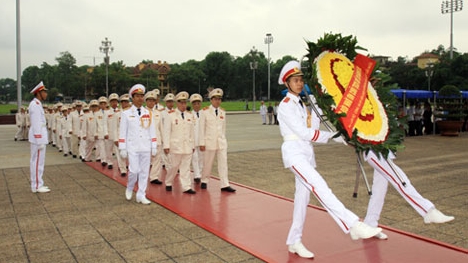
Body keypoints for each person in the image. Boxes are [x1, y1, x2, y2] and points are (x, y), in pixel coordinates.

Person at [277, 61, 381, 258]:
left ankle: (294, 240)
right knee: (319, 186)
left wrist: (318, 104)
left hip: (306, 153)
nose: (299, 84)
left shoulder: (303, 104)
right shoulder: (286, 105)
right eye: (295, 81)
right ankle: (352, 224)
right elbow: (303, 132)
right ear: (287, 83)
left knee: (303, 199)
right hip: (294, 153)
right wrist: (334, 137)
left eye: (301, 80)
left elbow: (314, 127)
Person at [363, 150, 455, 240]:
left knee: (379, 190)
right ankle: (427, 210)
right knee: (400, 180)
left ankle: (370, 224)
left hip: (381, 150)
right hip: (373, 151)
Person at [119, 84, 157, 205]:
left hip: (145, 146)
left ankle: (141, 194)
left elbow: (152, 130)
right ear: (133, 98)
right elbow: (122, 132)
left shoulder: (148, 112)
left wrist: (154, 145)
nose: (140, 98)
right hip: (133, 147)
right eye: (138, 96)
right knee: (134, 170)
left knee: (144, 172)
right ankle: (130, 187)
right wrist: (122, 148)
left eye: (142, 96)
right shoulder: (126, 113)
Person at [199, 88, 236, 192]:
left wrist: (223, 139)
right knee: (208, 163)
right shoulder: (204, 112)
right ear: (211, 100)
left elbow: (223, 128)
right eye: (215, 99)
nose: (218, 101)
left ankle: (225, 184)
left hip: (221, 142)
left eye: (219, 99)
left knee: (223, 163)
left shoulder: (222, 112)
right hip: (209, 141)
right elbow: (201, 129)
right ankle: (204, 180)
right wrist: (202, 142)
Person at [162, 91, 196, 194]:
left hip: (187, 146)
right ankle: (168, 182)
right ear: (177, 103)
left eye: (185, 102)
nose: (183, 105)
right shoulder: (170, 115)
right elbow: (167, 131)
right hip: (175, 146)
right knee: (174, 166)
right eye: (181, 102)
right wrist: (166, 145)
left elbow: (192, 132)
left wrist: (193, 145)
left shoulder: (189, 115)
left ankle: (186, 186)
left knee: (185, 168)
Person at [28, 81, 50, 193]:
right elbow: (36, 123)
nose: (46, 94)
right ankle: (36, 185)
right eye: (44, 92)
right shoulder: (35, 105)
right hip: (38, 138)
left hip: (39, 137)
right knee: (37, 162)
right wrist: (39, 139)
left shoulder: (37, 104)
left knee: (38, 161)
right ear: (38, 93)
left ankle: (38, 183)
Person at [190, 93, 204, 183]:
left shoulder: (205, 114)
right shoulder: (189, 115)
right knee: (194, 158)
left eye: (198, 103)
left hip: (202, 140)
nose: (197, 105)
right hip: (193, 140)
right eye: (195, 104)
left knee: (202, 158)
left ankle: (201, 173)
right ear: (192, 105)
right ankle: (197, 175)